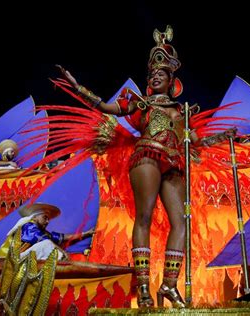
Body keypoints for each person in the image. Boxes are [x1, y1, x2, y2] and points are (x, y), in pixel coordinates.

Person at [52, 26, 235, 308]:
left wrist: (224, 137)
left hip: (173, 163)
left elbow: (196, 142)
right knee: (144, 218)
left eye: (161, 74)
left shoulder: (182, 111)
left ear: (172, 79)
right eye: (153, 75)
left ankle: (169, 285)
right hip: (146, 157)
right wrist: (79, 88)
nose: (156, 77)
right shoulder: (140, 104)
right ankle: (144, 289)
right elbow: (106, 108)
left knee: (181, 223)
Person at [0, 203, 95, 261]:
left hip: (21, 258)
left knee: (48, 243)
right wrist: (64, 253)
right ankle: (64, 262)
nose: (47, 222)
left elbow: (62, 237)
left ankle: (62, 261)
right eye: (45, 218)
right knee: (47, 244)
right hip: (10, 259)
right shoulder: (28, 226)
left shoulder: (41, 231)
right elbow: (45, 240)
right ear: (35, 217)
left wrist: (86, 233)